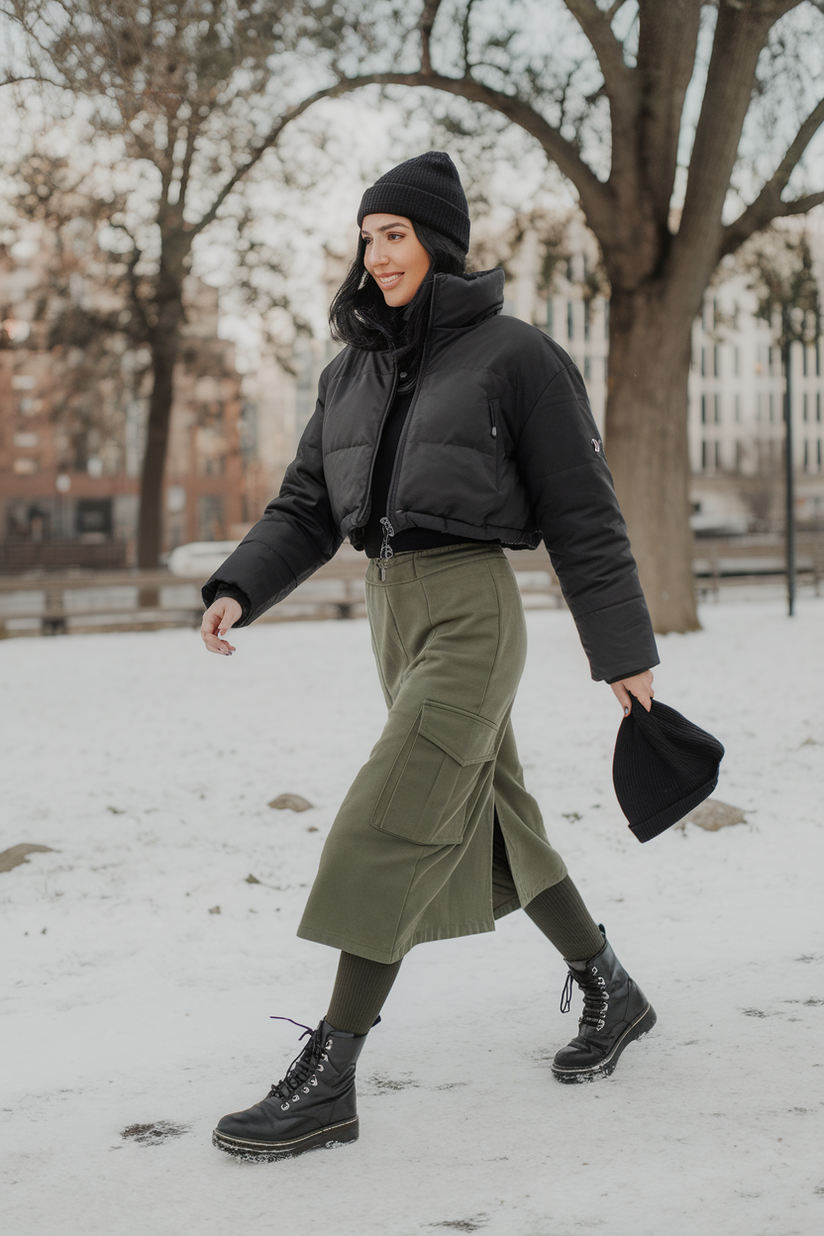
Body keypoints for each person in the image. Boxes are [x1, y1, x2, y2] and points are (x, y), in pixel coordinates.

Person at [200, 152, 660, 1162]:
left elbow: (583, 514)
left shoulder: (515, 358)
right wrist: (238, 583)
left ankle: (329, 1072)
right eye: (366, 236)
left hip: (469, 613)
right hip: (390, 615)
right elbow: (306, 508)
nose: (376, 254)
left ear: (437, 243)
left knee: (390, 818)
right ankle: (609, 987)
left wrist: (621, 650)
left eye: (394, 233)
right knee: (493, 817)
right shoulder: (349, 370)